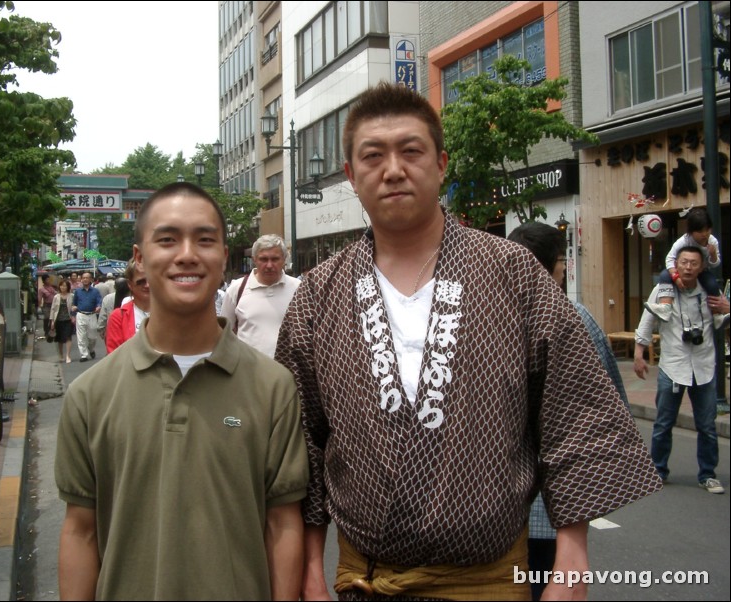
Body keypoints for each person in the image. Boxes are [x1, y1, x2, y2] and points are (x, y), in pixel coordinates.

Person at [275, 82, 661, 601]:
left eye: (411, 151)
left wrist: (571, 561)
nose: (393, 169)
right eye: (373, 156)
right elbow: (303, 443)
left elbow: (573, 417)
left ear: (441, 163)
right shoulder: (319, 293)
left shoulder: (512, 272)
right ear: (350, 175)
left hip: (490, 580)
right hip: (362, 579)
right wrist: (309, 573)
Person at [55, 182, 309, 600]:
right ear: (140, 259)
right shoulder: (90, 395)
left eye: (205, 240)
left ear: (224, 257)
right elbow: (80, 533)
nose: (187, 254)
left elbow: (283, 525)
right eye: (168, 239)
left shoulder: (273, 389)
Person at [507, 221, 631, 601]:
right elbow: (610, 408)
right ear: (553, 265)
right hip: (557, 510)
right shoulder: (574, 318)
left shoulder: (484, 321)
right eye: (562, 260)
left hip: (495, 512)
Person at [635, 246, 729, 495]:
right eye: (684, 262)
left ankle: (707, 474)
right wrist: (638, 354)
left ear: (701, 267)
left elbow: (724, 316)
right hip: (673, 365)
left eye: (694, 263)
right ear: (676, 265)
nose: (688, 267)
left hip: (704, 366)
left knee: (707, 425)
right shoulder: (663, 290)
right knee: (664, 423)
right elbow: (647, 321)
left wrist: (727, 308)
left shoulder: (709, 292)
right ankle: (658, 470)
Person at [220, 234, 300, 358]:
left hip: (289, 371)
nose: (269, 265)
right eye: (263, 259)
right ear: (254, 260)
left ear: (284, 260)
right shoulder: (237, 289)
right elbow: (224, 333)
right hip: (248, 370)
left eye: (275, 259)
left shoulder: (298, 288)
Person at [644, 207, 722, 328]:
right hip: (680, 272)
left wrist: (713, 255)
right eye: (700, 231)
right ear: (691, 232)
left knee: (712, 284)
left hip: (702, 271)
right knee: (664, 275)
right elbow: (669, 259)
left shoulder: (713, 242)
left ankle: (717, 315)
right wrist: (676, 277)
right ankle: (665, 306)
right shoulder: (684, 241)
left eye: (707, 230)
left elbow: (715, 264)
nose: (705, 234)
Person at [105, 262, 151, 353]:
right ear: (130, 284)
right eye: (141, 282)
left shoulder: (170, 313)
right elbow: (115, 355)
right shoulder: (118, 317)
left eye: (151, 280)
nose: (147, 285)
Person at [71, 271, 102, 362]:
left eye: (87, 278)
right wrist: (73, 310)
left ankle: (91, 349)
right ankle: (83, 355)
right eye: (83, 278)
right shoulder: (78, 291)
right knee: (81, 336)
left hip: (92, 315)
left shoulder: (95, 291)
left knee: (92, 336)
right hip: (81, 314)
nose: (85, 279)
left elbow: (99, 301)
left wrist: (98, 306)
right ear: (81, 280)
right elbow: (74, 303)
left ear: (91, 279)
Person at [49, 280, 75, 364]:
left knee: (68, 337)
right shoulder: (56, 297)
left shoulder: (72, 296)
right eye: (61, 286)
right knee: (60, 338)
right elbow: (53, 309)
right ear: (59, 287)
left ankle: (68, 355)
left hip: (68, 319)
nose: (63, 287)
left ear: (68, 287)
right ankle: (61, 354)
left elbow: (74, 307)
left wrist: (74, 316)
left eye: (65, 286)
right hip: (58, 319)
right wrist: (52, 321)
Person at [37, 274, 57, 340]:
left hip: (54, 305)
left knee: (54, 319)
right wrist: (39, 306)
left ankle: (53, 331)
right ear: (44, 281)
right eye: (47, 279)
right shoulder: (41, 289)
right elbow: (39, 299)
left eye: (49, 279)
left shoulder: (53, 287)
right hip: (46, 306)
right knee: (47, 318)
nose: (48, 281)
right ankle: (46, 331)